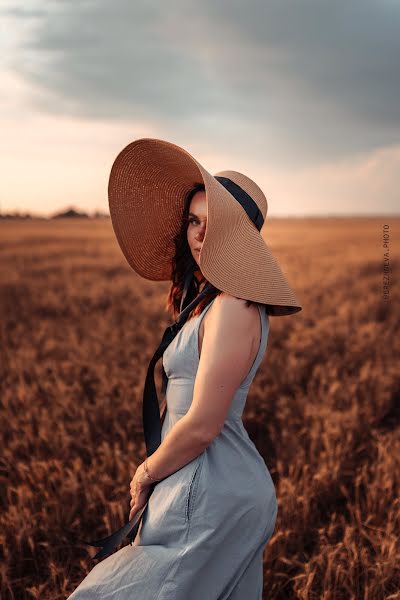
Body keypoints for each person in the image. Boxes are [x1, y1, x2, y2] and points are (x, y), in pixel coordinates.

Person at [67, 138, 302, 599]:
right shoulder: (208, 303)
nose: (198, 234)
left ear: (238, 238)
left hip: (211, 490)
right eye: (193, 221)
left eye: (212, 225)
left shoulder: (233, 307)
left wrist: (145, 472)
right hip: (197, 484)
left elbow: (201, 425)